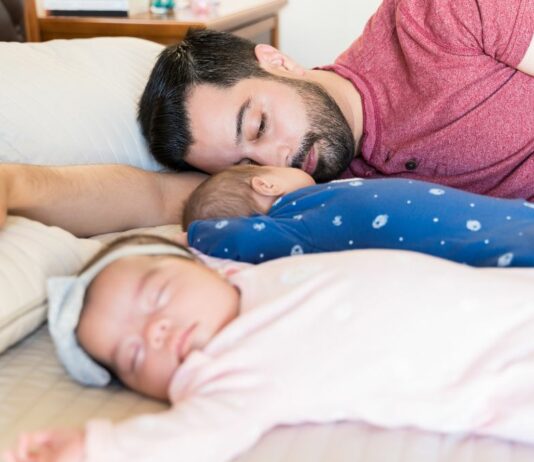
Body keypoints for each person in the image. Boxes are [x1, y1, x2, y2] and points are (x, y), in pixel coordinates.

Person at [5, 233, 534, 462]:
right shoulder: (228, 372)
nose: (157, 332)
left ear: (200, 266)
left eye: (159, 295)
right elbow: (193, 437)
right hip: (504, 368)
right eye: (135, 358)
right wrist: (97, 448)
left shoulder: (247, 276)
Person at [138, 5, 534, 200]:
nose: (277, 159)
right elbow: (155, 199)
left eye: (259, 126)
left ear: (277, 62)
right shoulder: (330, 188)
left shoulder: (431, 19)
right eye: (244, 165)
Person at [180, 164, 534, 266]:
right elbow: (231, 236)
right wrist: (195, 232)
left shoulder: (316, 196)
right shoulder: (294, 226)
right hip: (467, 236)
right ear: (265, 184)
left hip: (487, 212)